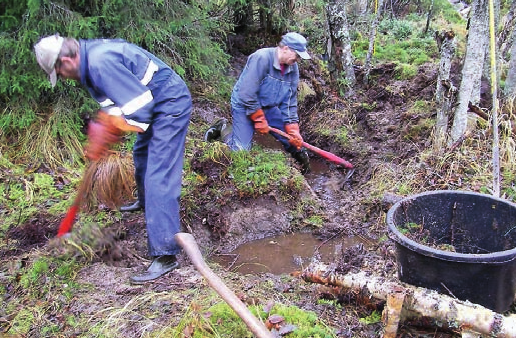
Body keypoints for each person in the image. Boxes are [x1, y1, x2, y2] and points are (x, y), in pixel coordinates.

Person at [34, 34, 191, 284]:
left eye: (59, 73)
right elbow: (114, 101)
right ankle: (145, 201)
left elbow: (140, 108)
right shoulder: (87, 62)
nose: (63, 78)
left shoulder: (98, 62)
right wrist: (104, 130)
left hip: (169, 103)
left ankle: (165, 255)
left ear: (65, 61)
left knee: (158, 174)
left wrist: (112, 127)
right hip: (154, 101)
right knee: (142, 153)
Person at [204, 32, 311, 174]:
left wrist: (292, 128)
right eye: (297, 55)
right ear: (285, 48)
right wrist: (259, 118)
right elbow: (246, 92)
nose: (298, 59)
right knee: (240, 152)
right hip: (244, 105)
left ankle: (305, 172)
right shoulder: (261, 58)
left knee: (294, 143)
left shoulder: (293, 69)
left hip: (268, 107)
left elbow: (290, 101)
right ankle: (223, 127)